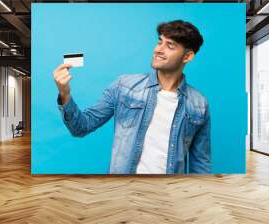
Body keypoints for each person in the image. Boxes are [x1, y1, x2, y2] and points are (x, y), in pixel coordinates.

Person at [53, 20, 210, 174]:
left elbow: (200, 163)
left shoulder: (199, 104)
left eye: (170, 46)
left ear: (187, 56)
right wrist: (64, 94)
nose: (158, 50)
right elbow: (81, 127)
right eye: (159, 42)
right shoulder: (124, 86)